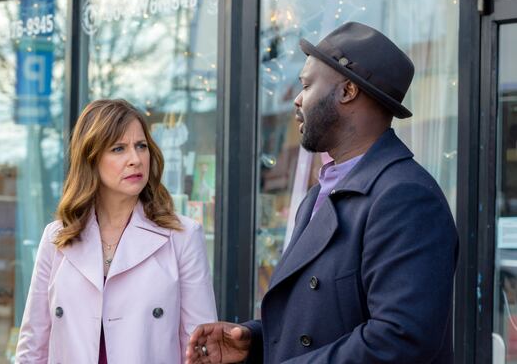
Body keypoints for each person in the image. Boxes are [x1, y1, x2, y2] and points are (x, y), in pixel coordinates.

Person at [185, 22, 458, 363]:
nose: (297, 100)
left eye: (307, 85)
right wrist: (254, 341)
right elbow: (323, 316)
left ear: (346, 91)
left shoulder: (406, 197)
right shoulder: (320, 195)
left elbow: (400, 340)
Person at [15, 99, 217, 363]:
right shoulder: (57, 238)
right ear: (91, 158)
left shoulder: (183, 237)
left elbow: (200, 348)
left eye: (141, 146)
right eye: (118, 148)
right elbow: (33, 346)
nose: (135, 159)